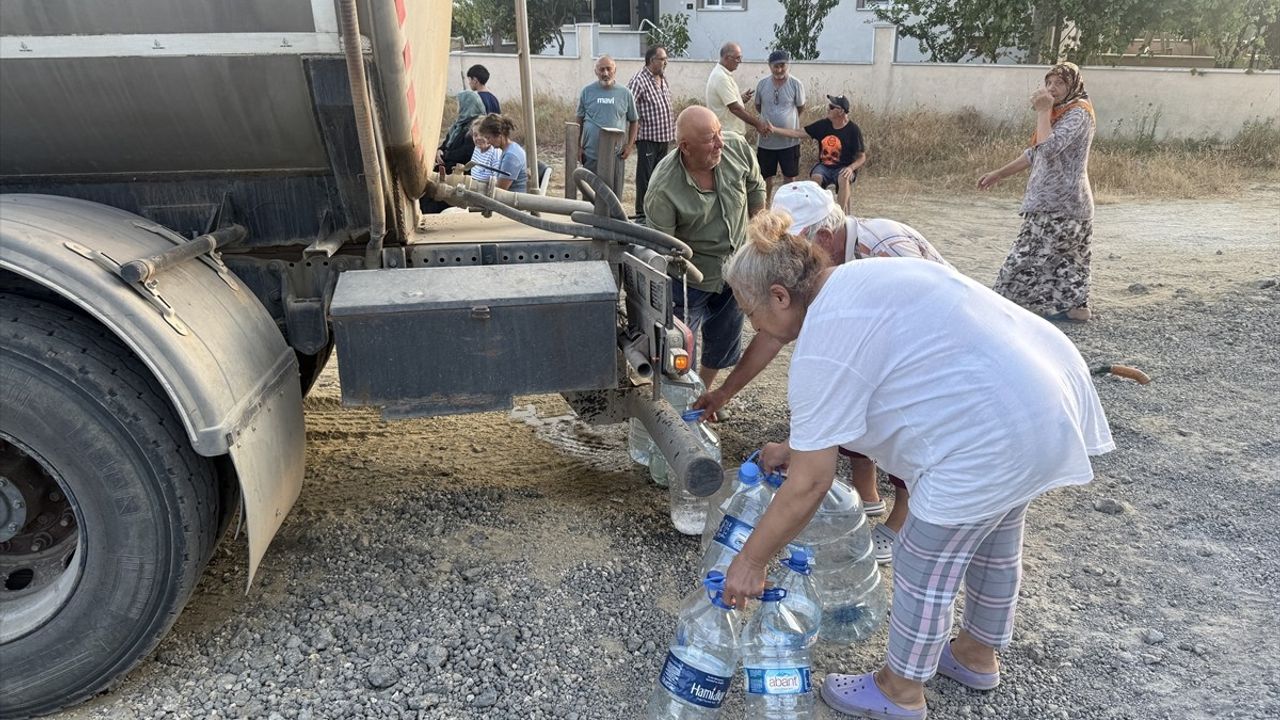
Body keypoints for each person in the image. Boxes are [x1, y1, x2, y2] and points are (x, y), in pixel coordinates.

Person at [718, 209, 1114, 720]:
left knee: (923, 562)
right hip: (1044, 398)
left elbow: (811, 483)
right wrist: (796, 448)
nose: (754, 324)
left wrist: (750, 561)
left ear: (779, 296)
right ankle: (975, 654)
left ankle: (899, 690)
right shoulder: (864, 275)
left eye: (751, 311)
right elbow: (881, 381)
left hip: (989, 434)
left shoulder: (823, 338)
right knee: (994, 541)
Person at [692, 181, 950, 563]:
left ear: (823, 238)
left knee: (899, 422)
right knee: (853, 409)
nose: (792, 257)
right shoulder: (813, 286)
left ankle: (902, 522)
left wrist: (750, 561)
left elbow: (928, 344)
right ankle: (866, 496)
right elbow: (773, 334)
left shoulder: (885, 254)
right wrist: (724, 393)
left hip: (933, 359)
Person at [644, 106, 767, 393]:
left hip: (737, 271)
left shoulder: (735, 148)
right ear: (685, 147)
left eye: (720, 133)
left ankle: (704, 391)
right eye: (711, 139)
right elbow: (662, 250)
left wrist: (759, 235)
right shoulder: (663, 189)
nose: (720, 143)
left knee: (724, 337)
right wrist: (683, 278)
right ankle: (681, 399)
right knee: (679, 345)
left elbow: (755, 185)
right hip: (689, 280)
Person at [979, 62, 1097, 323]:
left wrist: (1043, 111)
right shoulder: (1062, 112)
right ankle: (1076, 309)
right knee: (1069, 261)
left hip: (1059, 204)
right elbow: (1034, 154)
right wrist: (999, 173)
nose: (1052, 88)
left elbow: (1048, 148)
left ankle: (1000, 304)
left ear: (1073, 86)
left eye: (1060, 83)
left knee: (1025, 257)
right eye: (1049, 82)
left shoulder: (1079, 113)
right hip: (1066, 204)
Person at [768, 94, 866, 213]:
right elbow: (797, 133)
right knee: (815, 178)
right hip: (824, 166)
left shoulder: (853, 130)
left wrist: (851, 168)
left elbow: (861, 157)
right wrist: (774, 129)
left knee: (843, 177)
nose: (827, 109)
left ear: (840, 111)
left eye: (831, 106)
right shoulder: (823, 125)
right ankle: (817, 213)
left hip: (844, 167)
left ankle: (841, 214)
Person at [576, 55, 638, 194]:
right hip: (591, 155)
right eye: (601, 69)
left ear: (615, 70)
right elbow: (579, 119)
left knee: (613, 196)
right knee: (590, 195)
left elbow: (634, 120)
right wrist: (578, 146)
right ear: (595, 71)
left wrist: (629, 146)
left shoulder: (625, 93)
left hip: (616, 156)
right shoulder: (587, 92)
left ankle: (612, 217)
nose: (605, 73)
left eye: (608, 69)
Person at [627, 45, 676, 221]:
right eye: (662, 59)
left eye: (666, 59)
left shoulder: (662, 79)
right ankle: (641, 213)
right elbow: (628, 106)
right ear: (651, 60)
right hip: (648, 138)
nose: (665, 62)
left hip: (664, 138)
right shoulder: (639, 80)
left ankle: (655, 211)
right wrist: (630, 138)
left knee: (660, 177)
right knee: (645, 177)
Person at [754, 50, 805, 203]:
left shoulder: (796, 84)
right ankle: (766, 205)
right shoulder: (762, 84)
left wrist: (787, 122)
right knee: (765, 177)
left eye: (782, 66)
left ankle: (787, 206)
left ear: (787, 65)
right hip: (766, 142)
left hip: (789, 142)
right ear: (770, 66)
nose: (779, 70)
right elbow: (758, 106)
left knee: (789, 177)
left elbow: (800, 107)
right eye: (776, 66)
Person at [706, 42, 770, 139]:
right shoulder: (721, 77)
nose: (740, 61)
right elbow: (735, 108)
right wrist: (758, 124)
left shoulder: (723, 74)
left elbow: (727, 103)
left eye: (740, 57)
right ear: (727, 58)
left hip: (729, 134)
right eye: (737, 58)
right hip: (728, 136)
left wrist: (740, 99)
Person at [435, 90, 485, 174]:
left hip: (458, 173)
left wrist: (445, 155)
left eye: (460, 104)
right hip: (445, 167)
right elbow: (446, 143)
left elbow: (465, 153)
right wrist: (439, 151)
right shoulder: (458, 124)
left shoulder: (476, 127)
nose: (458, 107)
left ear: (468, 105)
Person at [476, 113, 527, 192]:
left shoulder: (511, 157)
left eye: (489, 138)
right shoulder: (510, 149)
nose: (488, 142)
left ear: (499, 135)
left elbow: (500, 190)